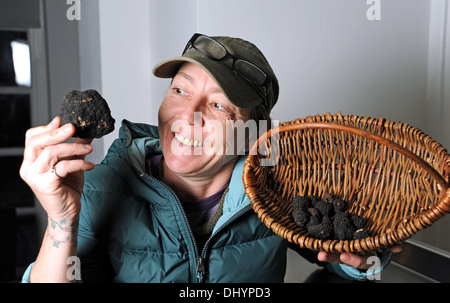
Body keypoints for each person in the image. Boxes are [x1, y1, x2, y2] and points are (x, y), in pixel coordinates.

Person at [20, 33, 401, 283]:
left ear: (254, 131)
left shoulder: (278, 190)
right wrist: (61, 222)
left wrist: (368, 258)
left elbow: (342, 260)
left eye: (219, 104)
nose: (188, 115)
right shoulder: (101, 186)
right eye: (180, 91)